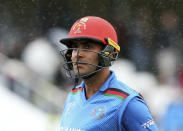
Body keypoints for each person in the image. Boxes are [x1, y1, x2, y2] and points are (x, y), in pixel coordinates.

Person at [59, 16, 158, 131]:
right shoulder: (73, 96)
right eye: (75, 47)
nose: (77, 54)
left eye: (87, 47)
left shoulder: (127, 103)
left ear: (109, 53)